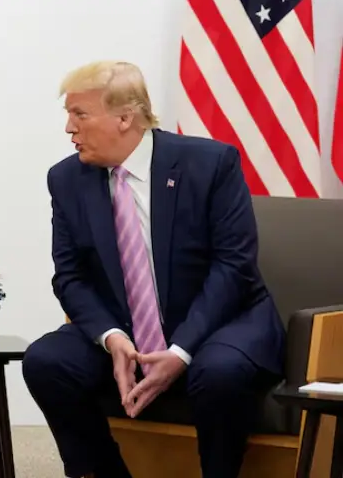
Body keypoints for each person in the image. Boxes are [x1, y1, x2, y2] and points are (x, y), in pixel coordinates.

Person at [21, 61, 285, 478]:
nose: (69, 128)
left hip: (220, 323)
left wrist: (181, 351)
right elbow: (70, 276)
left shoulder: (211, 163)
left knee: (219, 373)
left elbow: (234, 266)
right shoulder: (67, 179)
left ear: (125, 117)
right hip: (126, 329)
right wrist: (112, 337)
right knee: (45, 361)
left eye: (80, 114)